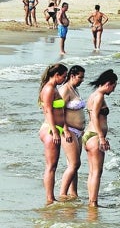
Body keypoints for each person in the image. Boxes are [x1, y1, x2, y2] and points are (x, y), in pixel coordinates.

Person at [83, 69, 117, 207]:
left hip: (89, 136)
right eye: (113, 86)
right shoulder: (99, 97)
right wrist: (102, 137)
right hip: (95, 137)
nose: (113, 90)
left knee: (92, 172)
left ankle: (91, 200)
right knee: (97, 172)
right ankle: (93, 203)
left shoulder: (93, 95)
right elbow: (95, 117)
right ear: (108, 84)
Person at [38, 63, 69, 204]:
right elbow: (49, 111)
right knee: (51, 166)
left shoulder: (52, 88)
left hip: (54, 129)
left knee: (53, 165)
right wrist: (55, 132)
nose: (65, 79)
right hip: (51, 130)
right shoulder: (49, 89)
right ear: (56, 75)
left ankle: (51, 197)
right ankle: (49, 198)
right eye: (64, 76)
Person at [58, 65, 86, 199]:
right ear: (72, 76)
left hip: (79, 132)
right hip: (69, 130)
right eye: (80, 77)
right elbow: (58, 111)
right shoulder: (65, 90)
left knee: (74, 165)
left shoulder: (75, 89)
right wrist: (65, 130)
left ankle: (73, 193)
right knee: (75, 164)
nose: (82, 80)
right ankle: (63, 194)